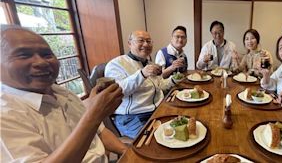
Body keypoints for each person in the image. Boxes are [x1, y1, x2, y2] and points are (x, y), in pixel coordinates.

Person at [0, 25, 127, 162]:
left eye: (47, 55)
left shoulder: (62, 92)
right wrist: (94, 115)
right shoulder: (5, 114)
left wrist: (127, 152)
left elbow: (100, 132)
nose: (41, 62)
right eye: (24, 55)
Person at [105, 30, 180, 138]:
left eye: (149, 41)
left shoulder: (150, 64)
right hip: (132, 116)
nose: (146, 44)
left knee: (179, 127)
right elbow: (119, 91)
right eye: (141, 40)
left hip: (157, 110)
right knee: (155, 142)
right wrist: (142, 74)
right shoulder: (116, 64)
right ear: (129, 43)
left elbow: (160, 86)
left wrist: (173, 80)